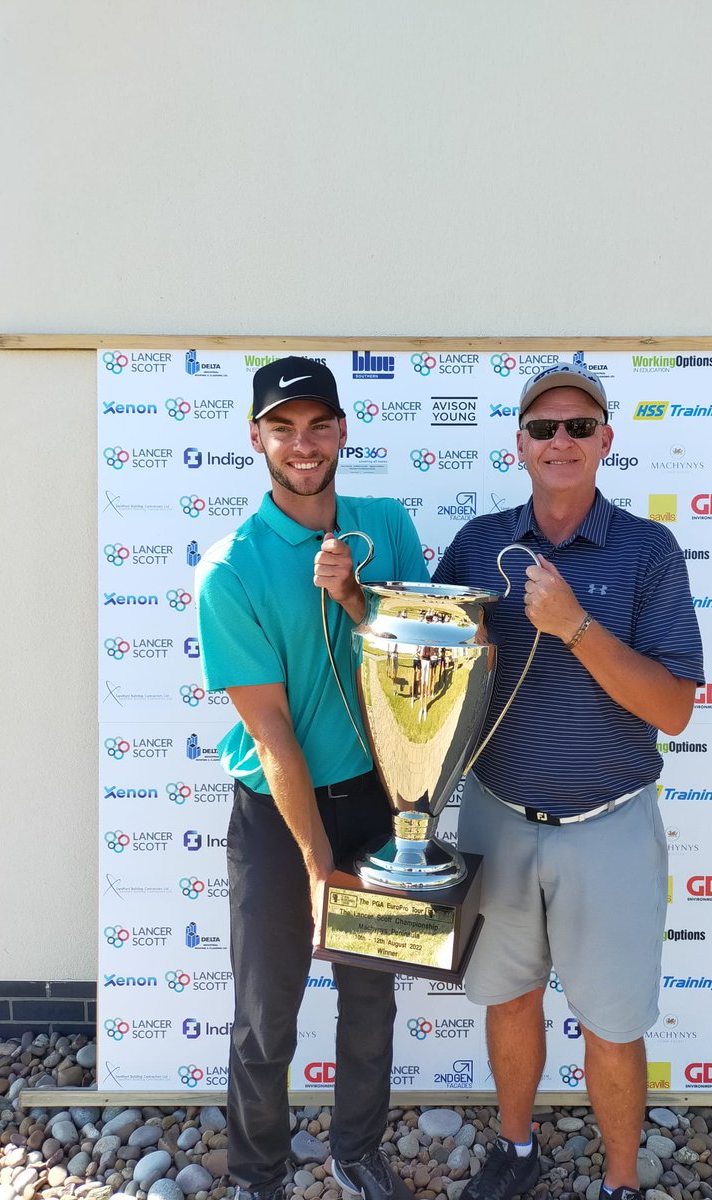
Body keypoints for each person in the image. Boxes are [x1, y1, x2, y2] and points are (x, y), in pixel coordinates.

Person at [433, 362, 704, 1200]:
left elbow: (674, 709)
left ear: (605, 442)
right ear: (519, 444)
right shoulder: (481, 543)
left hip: (609, 825)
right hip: (498, 816)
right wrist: (351, 604)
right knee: (508, 1001)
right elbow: (426, 661)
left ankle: (622, 1182)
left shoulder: (647, 550)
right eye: (544, 427)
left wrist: (575, 627)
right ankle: (517, 1151)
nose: (561, 441)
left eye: (579, 427)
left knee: (613, 1026)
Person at [195, 357, 429, 1200]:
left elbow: (425, 667)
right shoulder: (231, 567)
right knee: (267, 1017)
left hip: (376, 804)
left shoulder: (387, 525)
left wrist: (359, 600)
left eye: (318, 425)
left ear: (341, 432)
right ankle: (260, 1172)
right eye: (283, 427)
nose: (303, 444)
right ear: (256, 437)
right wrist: (314, 861)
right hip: (275, 813)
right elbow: (273, 732)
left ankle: (356, 1152)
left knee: (370, 1005)